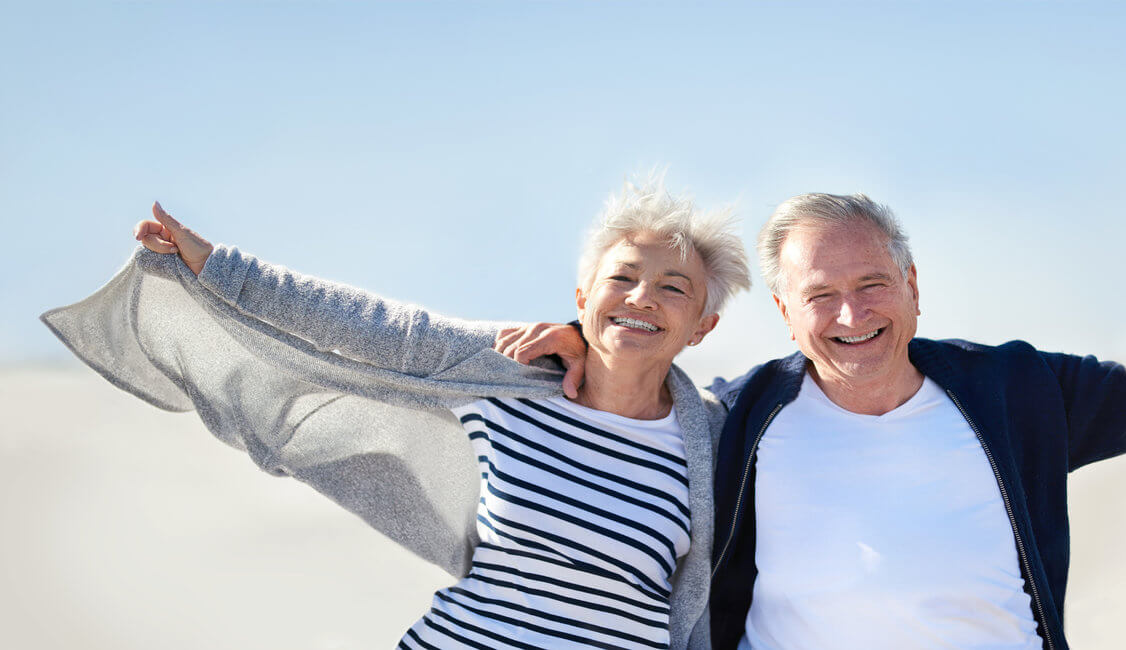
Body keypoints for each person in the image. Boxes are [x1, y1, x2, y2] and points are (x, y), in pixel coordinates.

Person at [498, 192, 1126, 650]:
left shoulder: (1021, 395)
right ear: (782, 310)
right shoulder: (741, 415)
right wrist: (576, 343)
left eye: (871, 283)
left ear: (914, 286)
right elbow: (617, 415)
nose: (851, 315)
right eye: (820, 295)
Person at [42, 179, 750, 649]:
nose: (640, 297)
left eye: (673, 287)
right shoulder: (503, 375)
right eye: (621, 278)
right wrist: (220, 269)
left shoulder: (717, 440)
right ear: (582, 295)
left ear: (702, 328)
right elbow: (378, 327)